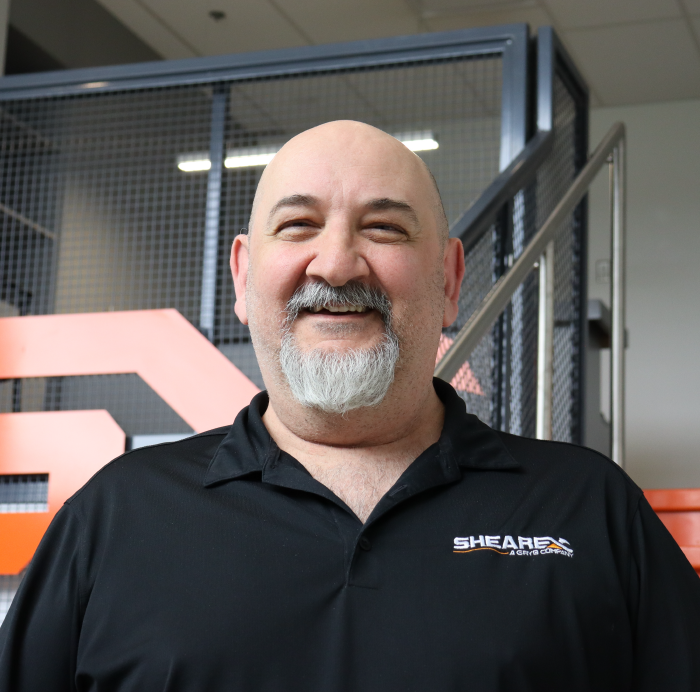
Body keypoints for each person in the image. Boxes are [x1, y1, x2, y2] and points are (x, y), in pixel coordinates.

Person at [1, 120, 699, 691]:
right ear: (243, 277)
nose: (336, 264)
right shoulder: (114, 517)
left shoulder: (588, 508)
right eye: (298, 225)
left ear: (450, 280)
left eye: (385, 228)